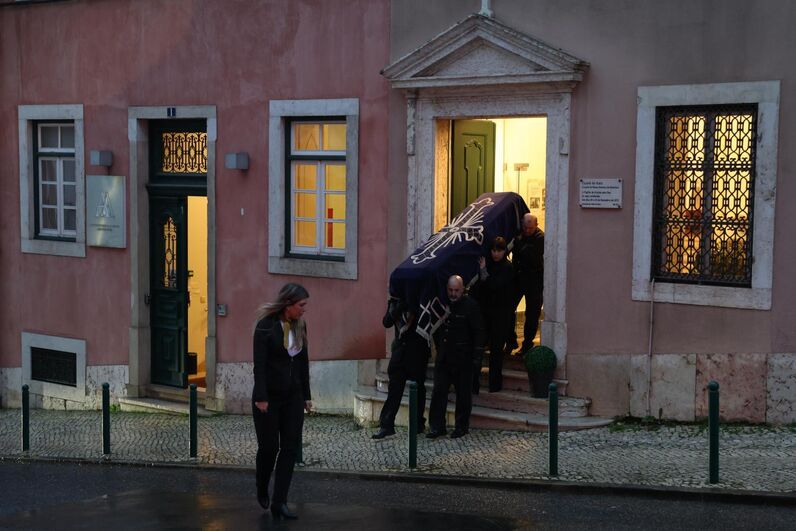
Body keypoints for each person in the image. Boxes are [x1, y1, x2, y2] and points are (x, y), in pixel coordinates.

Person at [252, 283, 313, 520]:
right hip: (269, 398)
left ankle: (280, 502)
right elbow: (259, 365)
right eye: (301, 305)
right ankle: (261, 485)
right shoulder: (265, 326)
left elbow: (303, 362)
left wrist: (306, 395)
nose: (304, 309)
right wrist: (261, 397)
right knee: (269, 448)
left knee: (289, 449)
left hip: (293, 397)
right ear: (288, 304)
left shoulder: (300, 326)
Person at [426, 275, 485, 439]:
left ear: (462, 289)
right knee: (439, 392)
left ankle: (461, 427)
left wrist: (477, 358)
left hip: (463, 358)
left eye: (456, 290)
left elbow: (479, 332)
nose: (453, 294)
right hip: (444, 357)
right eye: (450, 290)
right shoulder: (442, 305)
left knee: (463, 395)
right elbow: (437, 328)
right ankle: (437, 426)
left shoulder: (471, 306)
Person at [372, 297, 431, 439]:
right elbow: (386, 322)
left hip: (417, 352)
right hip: (399, 352)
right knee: (394, 390)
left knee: (418, 389)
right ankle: (386, 425)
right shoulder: (396, 300)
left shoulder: (421, 298)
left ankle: (418, 424)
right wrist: (398, 308)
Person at [475, 236, 515, 392]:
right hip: (486, 313)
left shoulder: (507, 268)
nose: (496, 254)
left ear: (504, 251)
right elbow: (481, 288)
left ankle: (495, 385)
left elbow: (495, 286)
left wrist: (484, 272)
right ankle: (474, 384)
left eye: (499, 251)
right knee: (479, 348)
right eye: (493, 250)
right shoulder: (488, 265)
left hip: (501, 315)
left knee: (497, 351)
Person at [512, 213, 544, 351]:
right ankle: (511, 340)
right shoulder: (519, 236)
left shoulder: (540, 238)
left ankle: (527, 344)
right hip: (520, 278)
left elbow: (532, 258)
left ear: (536, 225)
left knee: (532, 314)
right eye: (525, 227)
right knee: (508, 308)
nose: (527, 230)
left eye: (530, 228)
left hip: (535, 281)